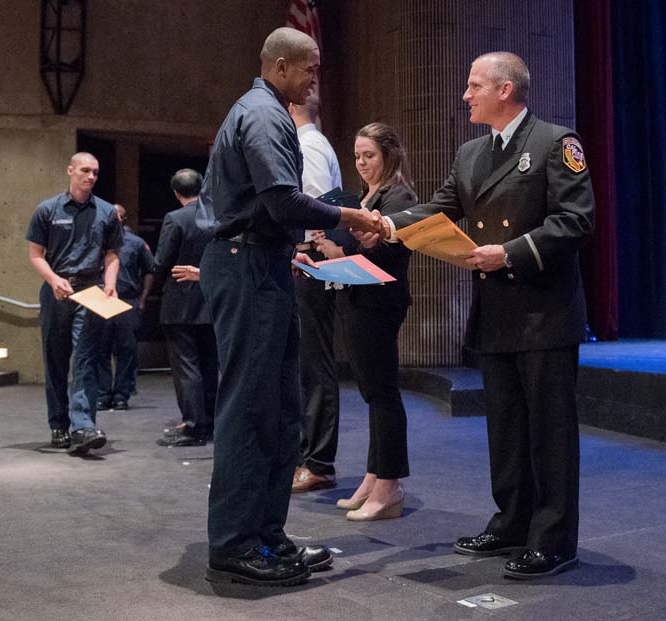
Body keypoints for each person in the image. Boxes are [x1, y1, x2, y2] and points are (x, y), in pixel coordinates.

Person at [369, 52, 595, 578]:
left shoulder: (555, 144)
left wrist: (509, 252)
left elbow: (575, 222)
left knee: (549, 431)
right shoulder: (471, 152)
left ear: (506, 90)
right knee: (507, 428)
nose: (465, 95)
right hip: (495, 312)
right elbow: (443, 206)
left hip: (543, 311)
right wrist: (386, 223)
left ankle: (554, 539)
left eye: (473, 86)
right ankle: (511, 520)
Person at [198, 27, 383, 587]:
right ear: (280, 65)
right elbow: (280, 200)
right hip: (247, 262)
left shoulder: (271, 111)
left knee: (281, 411)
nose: (315, 79)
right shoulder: (261, 114)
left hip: (265, 263)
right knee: (251, 408)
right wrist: (350, 216)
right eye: (310, 69)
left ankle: (267, 536)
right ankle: (234, 544)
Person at [316, 123, 414, 521]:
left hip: (380, 300)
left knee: (383, 392)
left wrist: (342, 250)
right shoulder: (365, 195)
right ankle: (374, 476)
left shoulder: (400, 194)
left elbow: (393, 251)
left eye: (368, 155)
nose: (361, 163)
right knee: (372, 392)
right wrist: (325, 254)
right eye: (357, 156)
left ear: (389, 154)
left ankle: (389, 484)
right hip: (358, 296)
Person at [26, 152, 123, 454]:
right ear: (70, 170)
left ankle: (83, 426)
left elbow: (112, 254)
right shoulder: (47, 209)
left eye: (95, 172)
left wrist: (110, 284)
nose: (90, 176)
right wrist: (54, 280)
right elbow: (35, 254)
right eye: (84, 170)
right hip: (56, 290)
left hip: (90, 290)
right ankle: (58, 426)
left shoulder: (107, 212)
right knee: (55, 359)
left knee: (85, 358)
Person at [288, 91, 348, 494]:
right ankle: (307, 455)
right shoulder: (312, 142)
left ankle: (318, 462)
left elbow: (316, 207)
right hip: (308, 261)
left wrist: (301, 250)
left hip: (311, 261)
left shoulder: (308, 145)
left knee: (315, 365)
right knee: (306, 365)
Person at [153, 169, 218, 447]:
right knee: (209, 364)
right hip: (212, 298)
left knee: (186, 366)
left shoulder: (175, 218)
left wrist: (156, 278)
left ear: (176, 193)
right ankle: (210, 421)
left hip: (180, 302)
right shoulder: (217, 217)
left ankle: (193, 426)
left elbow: (162, 261)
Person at [96, 204, 154, 411]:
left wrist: (144, 298)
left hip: (127, 300)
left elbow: (149, 270)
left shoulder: (136, 243)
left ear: (123, 218)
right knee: (100, 349)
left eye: (116, 215)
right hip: (100, 300)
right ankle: (103, 394)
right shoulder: (96, 240)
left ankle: (122, 395)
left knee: (126, 350)